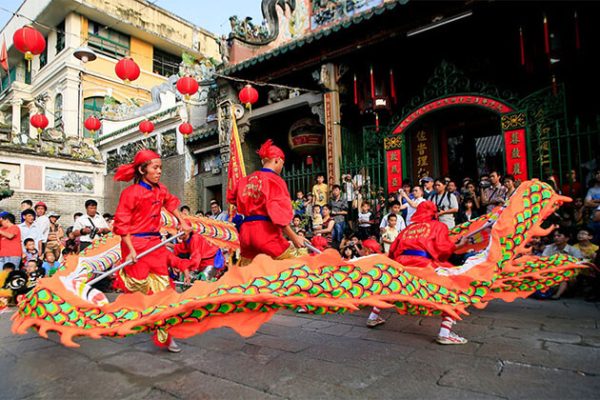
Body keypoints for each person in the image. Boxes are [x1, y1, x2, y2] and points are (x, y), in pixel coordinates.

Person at [113, 149, 192, 353]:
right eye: (155, 168)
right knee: (139, 289)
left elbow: (171, 204)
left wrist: (182, 221)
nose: (159, 172)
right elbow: (122, 225)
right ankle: (135, 317)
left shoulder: (160, 190)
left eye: (160, 168)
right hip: (136, 246)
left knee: (164, 291)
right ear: (142, 169)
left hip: (155, 246)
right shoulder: (130, 193)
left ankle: (166, 334)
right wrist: (130, 251)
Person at [381, 202, 469, 344]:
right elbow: (443, 249)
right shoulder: (438, 226)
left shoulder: (408, 228)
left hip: (402, 264)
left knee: (389, 286)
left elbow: (393, 249)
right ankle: (445, 332)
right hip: (423, 264)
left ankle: (373, 316)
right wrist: (460, 245)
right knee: (455, 288)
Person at [226, 140, 306, 266]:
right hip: (265, 234)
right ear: (276, 160)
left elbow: (232, 198)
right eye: (282, 163)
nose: (282, 167)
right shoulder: (274, 181)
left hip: (246, 235)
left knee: (249, 276)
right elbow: (278, 214)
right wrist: (294, 237)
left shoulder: (245, 180)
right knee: (299, 265)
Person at [542, 227, 583, 299]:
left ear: (567, 238)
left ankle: (557, 295)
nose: (556, 238)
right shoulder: (549, 247)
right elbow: (543, 260)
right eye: (554, 236)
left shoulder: (574, 250)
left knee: (565, 277)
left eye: (559, 236)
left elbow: (579, 263)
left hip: (567, 275)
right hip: (551, 272)